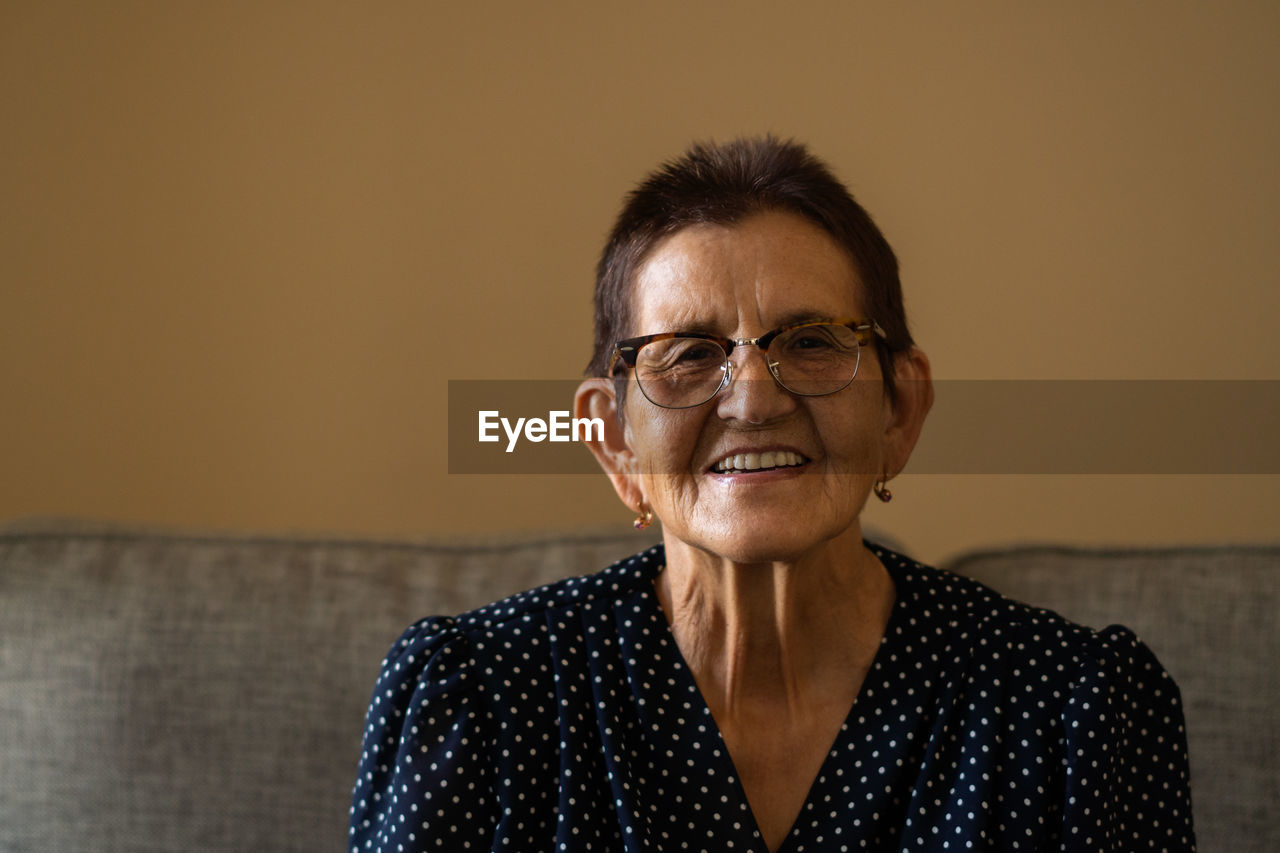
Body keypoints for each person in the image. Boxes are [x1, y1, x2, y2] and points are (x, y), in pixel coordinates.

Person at [349, 138, 1195, 852]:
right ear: (612, 439)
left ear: (900, 407)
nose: (753, 398)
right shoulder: (480, 700)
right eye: (686, 354)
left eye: (814, 341)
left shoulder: (1077, 710)